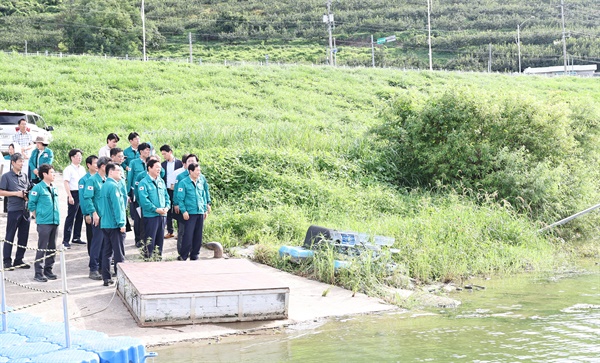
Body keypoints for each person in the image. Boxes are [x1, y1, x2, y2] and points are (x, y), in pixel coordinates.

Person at [173, 154, 211, 254]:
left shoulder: (201, 179)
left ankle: (195, 254)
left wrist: (207, 205)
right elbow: (179, 195)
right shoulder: (182, 179)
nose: (199, 172)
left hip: (200, 210)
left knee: (198, 235)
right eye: (190, 161)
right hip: (189, 211)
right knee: (186, 233)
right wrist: (181, 208)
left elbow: (204, 193)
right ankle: (183, 254)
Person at [28, 164, 60, 282]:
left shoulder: (54, 187)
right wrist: (38, 217)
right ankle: (38, 272)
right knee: (42, 247)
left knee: (52, 247)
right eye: (52, 172)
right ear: (45, 174)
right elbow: (31, 204)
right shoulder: (38, 188)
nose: (54, 174)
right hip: (44, 222)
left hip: (54, 221)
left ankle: (48, 270)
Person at [0, 153, 31, 269]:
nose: (22, 164)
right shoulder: (6, 176)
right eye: (20, 162)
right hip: (14, 210)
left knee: (23, 236)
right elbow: (1, 192)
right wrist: (16, 194)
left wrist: (26, 196)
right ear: (13, 163)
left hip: (25, 210)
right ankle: (7, 260)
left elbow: (27, 189)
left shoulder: (25, 176)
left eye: (23, 162)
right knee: (10, 235)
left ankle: (19, 259)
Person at [82, 156, 110, 280]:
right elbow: (87, 198)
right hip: (97, 217)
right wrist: (92, 213)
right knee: (96, 243)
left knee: (106, 244)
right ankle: (93, 269)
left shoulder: (106, 180)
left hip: (106, 217)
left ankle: (102, 268)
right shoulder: (92, 180)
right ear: (103, 166)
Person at [99, 162, 126, 286]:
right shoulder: (113, 186)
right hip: (114, 224)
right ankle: (121, 280)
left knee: (107, 252)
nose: (121, 173)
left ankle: (106, 278)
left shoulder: (104, 185)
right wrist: (121, 223)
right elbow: (117, 207)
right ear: (111, 172)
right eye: (118, 171)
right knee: (119, 253)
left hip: (105, 223)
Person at [137, 159, 170, 258]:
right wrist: (155, 209)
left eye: (160, 168)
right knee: (150, 239)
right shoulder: (143, 183)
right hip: (151, 215)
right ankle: (148, 258)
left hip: (162, 215)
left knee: (160, 239)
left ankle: (157, 258)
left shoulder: (161, 181)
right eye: (157, 167)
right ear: (149, 168)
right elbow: (144, 200)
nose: (159, 169)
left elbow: (166, 196)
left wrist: (167, 207)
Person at [127, 143, 151, 246]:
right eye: (146, 150)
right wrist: (129, 193)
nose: (148, 152)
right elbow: (130, 177)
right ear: (140, 151)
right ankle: (138, 239)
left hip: (150, 193)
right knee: (138, 218)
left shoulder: (152, 162)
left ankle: (147, 238)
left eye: (149, 150)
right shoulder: (134, 162)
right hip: (137, 193)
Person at [62, 148, 86, 248]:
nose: (79, 158)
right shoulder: (68, 169)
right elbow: (66, 183)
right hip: (73, 193)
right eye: (77, 156)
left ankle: (76, 237)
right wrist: (70, 196)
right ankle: (66, 240)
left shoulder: (82, 168)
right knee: (71, 217)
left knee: (80, 216)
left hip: (82, 193)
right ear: (72, 157)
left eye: (80, 156)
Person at [160, 144, 183, 239]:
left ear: (170, 152)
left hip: (177, 190)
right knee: (168, 210)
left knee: (178, 210)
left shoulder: (179, 163)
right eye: (162, 154)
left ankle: (180, 232)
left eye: (165, 154)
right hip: (167, 190)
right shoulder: (163, 165)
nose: (164, 156)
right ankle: (170, 231)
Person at [78, 155, 97, 257]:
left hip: (100, 213)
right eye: (95, 163)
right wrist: (86, 214)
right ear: (88, 165)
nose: (97, 165)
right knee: (91, 236)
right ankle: (92, 257)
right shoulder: (84, 180)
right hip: (90, 212)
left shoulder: (101, 177)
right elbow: (83, 198)